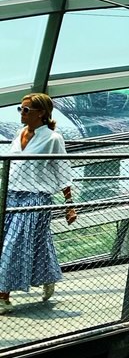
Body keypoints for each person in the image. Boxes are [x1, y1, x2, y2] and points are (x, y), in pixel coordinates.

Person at [0, 93, 75, 312]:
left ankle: (3, 297)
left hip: (36, 198)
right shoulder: (18, 133)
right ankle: (48, 276)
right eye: (20, 109)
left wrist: (69, 205)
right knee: (37, 242)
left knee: (12, 245)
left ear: (41, 113)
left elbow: (63, 172)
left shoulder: (53, 139)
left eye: (26, 110)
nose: (22, 114)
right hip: (11, 196)